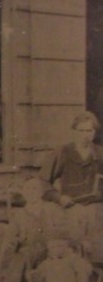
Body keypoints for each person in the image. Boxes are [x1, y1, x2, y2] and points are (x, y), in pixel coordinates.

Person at [42, 110, 103, 259]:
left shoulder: (100, 153)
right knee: (74, 252)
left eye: (89, 130)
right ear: (74, 132)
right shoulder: (63, 152)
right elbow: (42, 182)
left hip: (97, 210)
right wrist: (59, 197)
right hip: (71, 209)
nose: (85, 135)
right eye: (81, 130)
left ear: (94, 132)